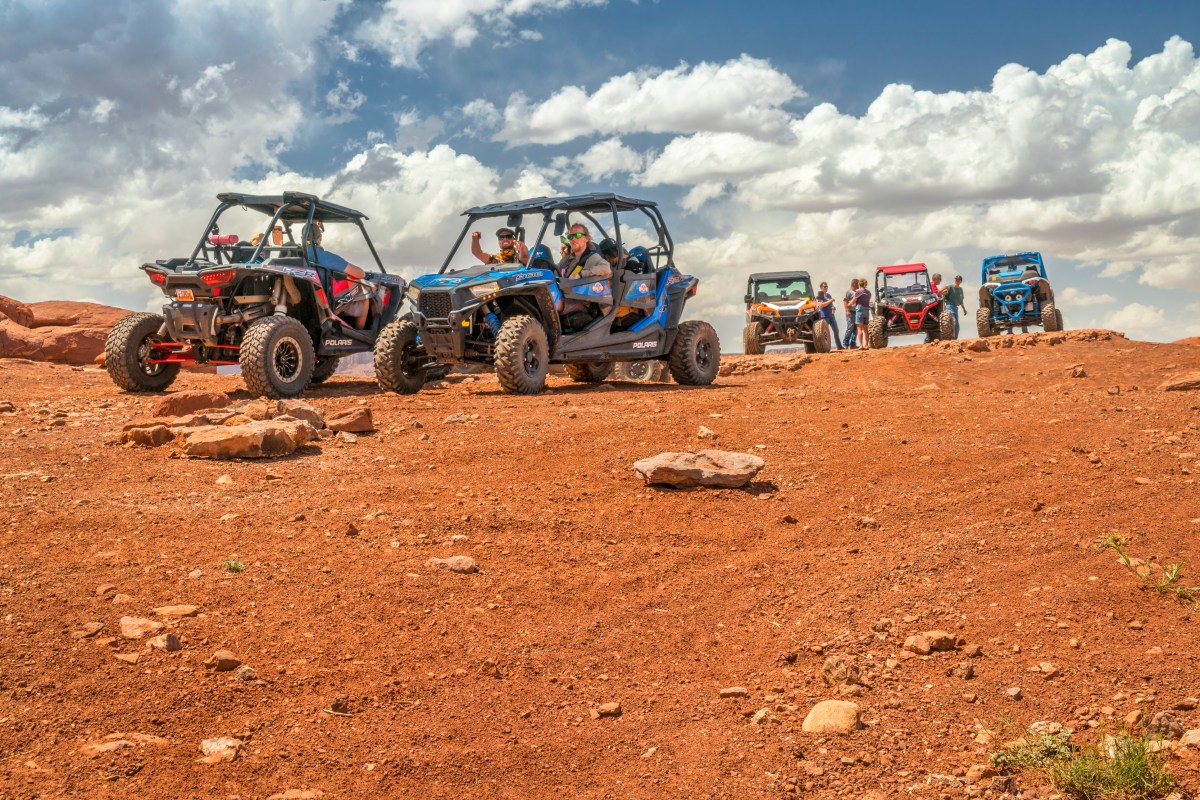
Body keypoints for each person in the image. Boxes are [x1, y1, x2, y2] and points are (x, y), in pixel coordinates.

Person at [305, 221, 372, 328]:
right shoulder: (325, 256)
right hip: (326, 303)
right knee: (365, 291)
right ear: (320, 238)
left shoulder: (295, 253)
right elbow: (361, 274)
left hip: (306, 299)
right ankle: (362, 333)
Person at [557, 224, 612, 329]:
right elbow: (554, 273)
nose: (574, 239)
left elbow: (606, 268)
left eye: (577, 235)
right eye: (570, 236)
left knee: (551, 302)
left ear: (586, 238)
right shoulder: (567, 260)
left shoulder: (592, 257)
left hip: (581, 302)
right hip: (565, 296)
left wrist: (582, 274)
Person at [815, 281, 841, 350]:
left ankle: (839, 346)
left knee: (836, 330)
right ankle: (825, 347)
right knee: (824, 333)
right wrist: (831, 301)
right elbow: (821, 305)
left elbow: (831, 304)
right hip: (824, 316)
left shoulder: (828, 295)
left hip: (831, 315)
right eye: (824, 286)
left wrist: (833, 307)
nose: (826, 288)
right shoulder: (819, 296)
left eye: (827, 286)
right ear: (821, 288)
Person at [853, 277, 871, 349]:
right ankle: (866, 345)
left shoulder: (858, 291)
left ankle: (861, 345)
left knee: (859, 328)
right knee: (866, 329)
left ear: (859, 284)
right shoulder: (868, 292)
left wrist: (848, 304)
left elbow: (854, 301)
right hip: (866, 310)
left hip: (860, 310)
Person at [842, 278, 859, 349]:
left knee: (856, 329)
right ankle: (845, 343)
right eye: (857, 284)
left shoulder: (857, 292)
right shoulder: (848, 292)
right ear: (854, 284)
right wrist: (847, 311)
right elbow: (845, 301)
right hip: (850, 312)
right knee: (850, 327)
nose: (858, 286)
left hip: (857, 312)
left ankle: (853, 343)